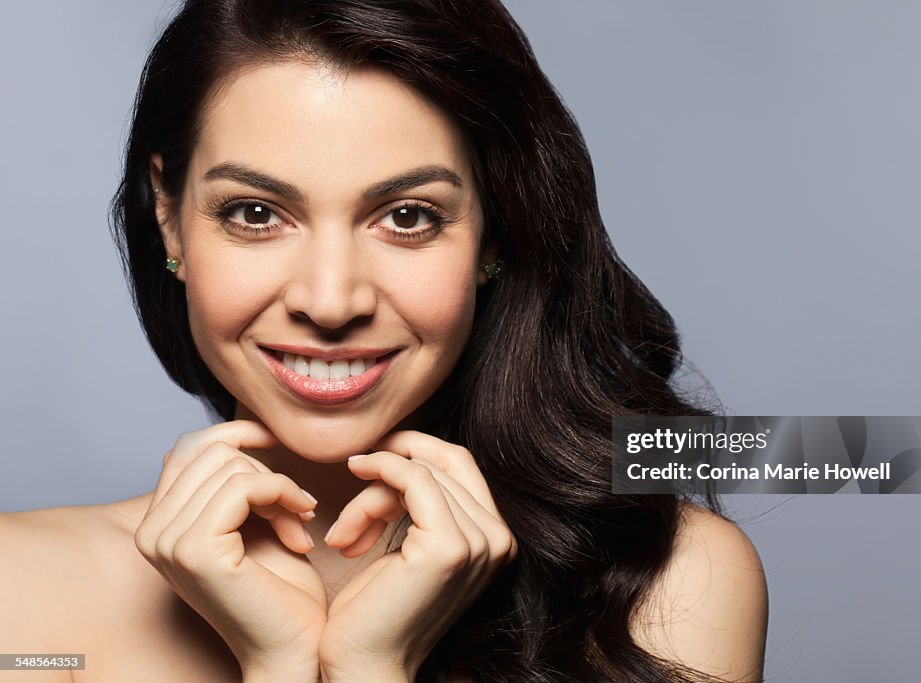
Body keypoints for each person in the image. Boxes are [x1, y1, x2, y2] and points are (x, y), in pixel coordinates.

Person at [0, 1, 768, 681]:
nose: (330, 301)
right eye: (255, 213)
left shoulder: (672, 585)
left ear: (496, 231)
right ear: (169, 216)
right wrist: (279, 665)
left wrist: (372, 666)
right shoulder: (21, 593)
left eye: (407, 216)